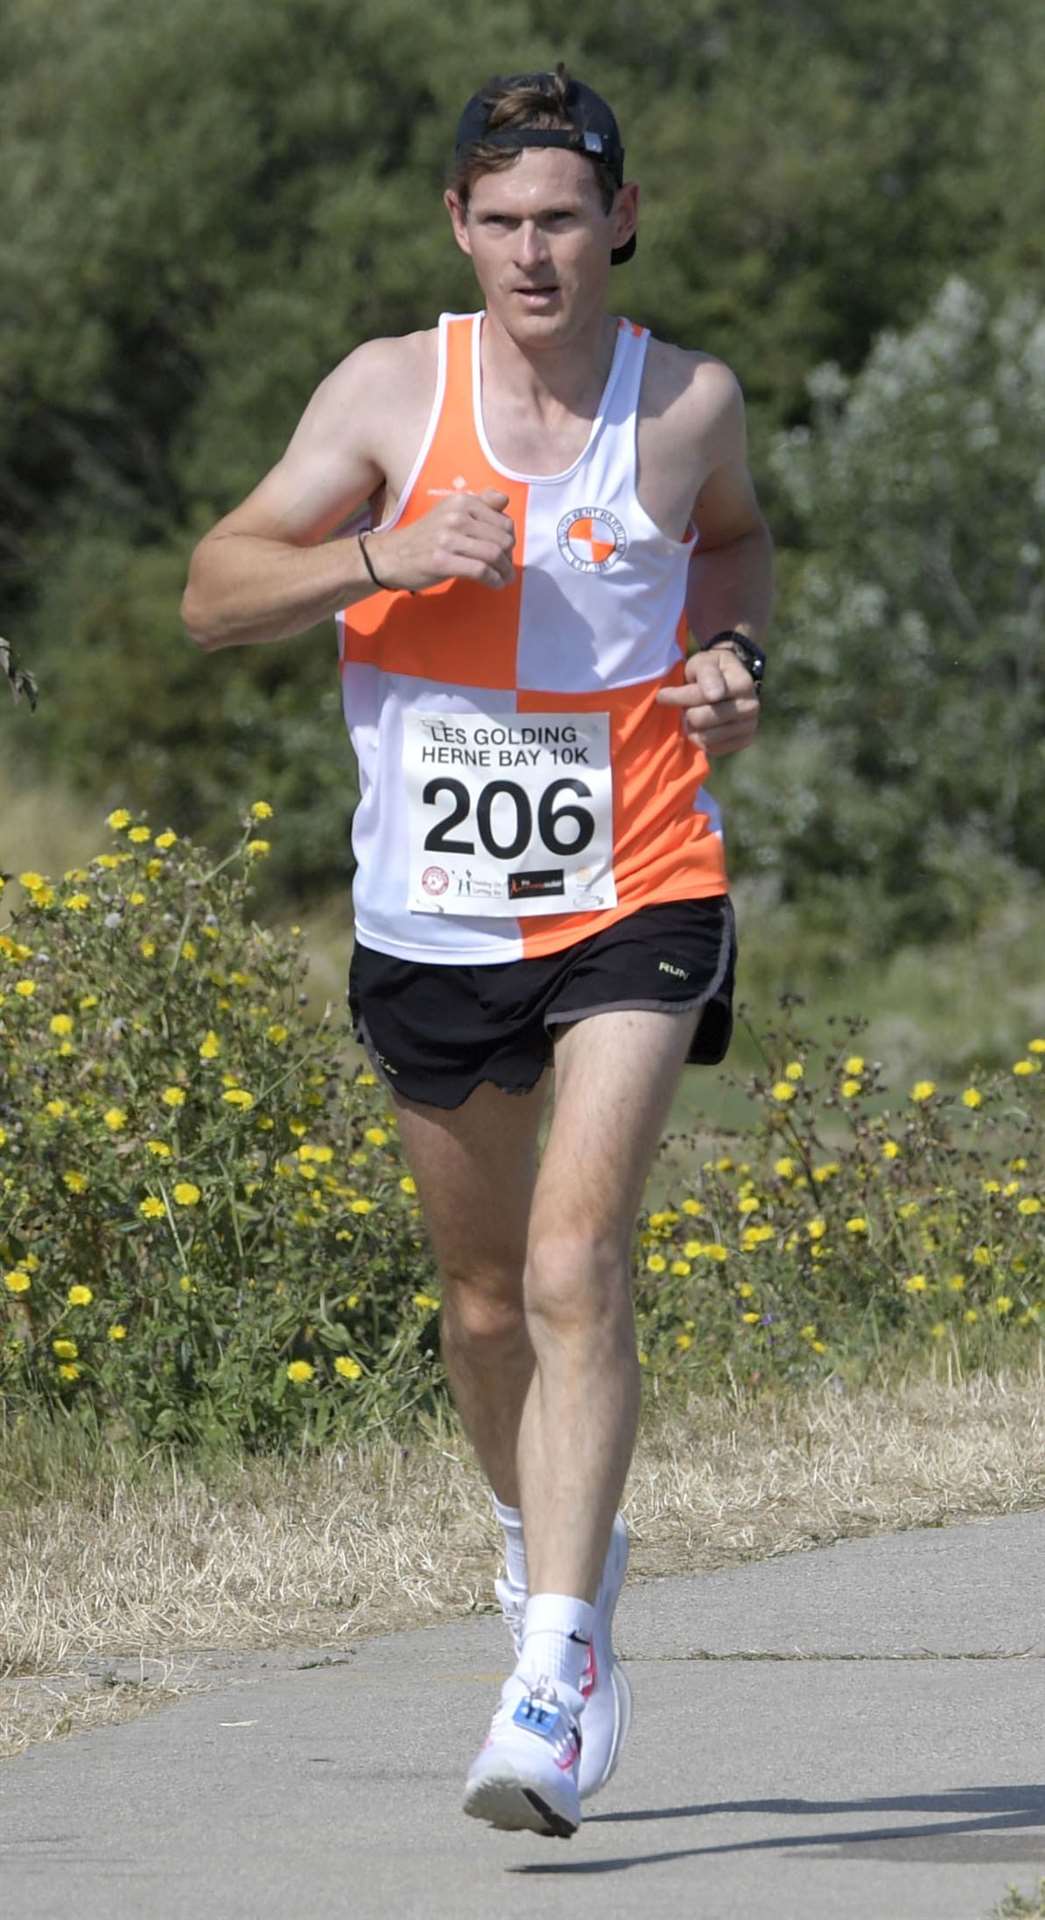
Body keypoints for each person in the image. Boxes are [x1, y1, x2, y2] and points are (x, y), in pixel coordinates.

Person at [181, 65, 773, 1841]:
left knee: (579, 1258)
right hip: (430, 915)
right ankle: (537, 1549)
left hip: (638, 881)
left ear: (621, 219)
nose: (536, 252)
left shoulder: (683, 402)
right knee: (485, 1302)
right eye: (501, 220)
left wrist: (734, 666)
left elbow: (731, 550)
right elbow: (213, 596)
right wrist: (377, 547)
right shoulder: (386, 390)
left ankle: (559, 1663)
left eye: (566, 218)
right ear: (460, 226)